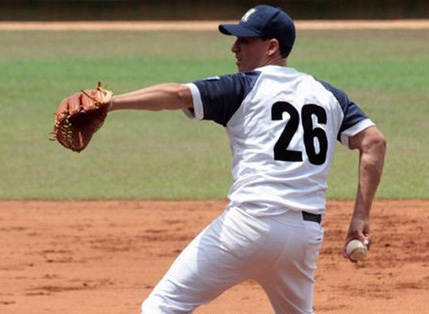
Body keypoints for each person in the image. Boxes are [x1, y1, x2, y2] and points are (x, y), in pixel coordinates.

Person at [108, 4, 386, 314]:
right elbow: (374, 141)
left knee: (162, 306)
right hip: (304, 237)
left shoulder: (244, 87)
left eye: (245, 41)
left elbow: (175, 95)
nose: (234, 48)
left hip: (249, 227)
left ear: (271, 47)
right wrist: (360, 217)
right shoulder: (329, 95)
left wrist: (111, 103)